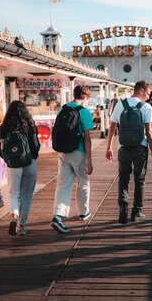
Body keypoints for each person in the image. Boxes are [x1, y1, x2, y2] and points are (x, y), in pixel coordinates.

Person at [105, 80, 152, 224]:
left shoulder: (120, 104)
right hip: (140, 147)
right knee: (139, 180)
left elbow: (112, 128)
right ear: (141, 91)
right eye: (147, 94)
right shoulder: (145, 107)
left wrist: (108, 147)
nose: (148, 97)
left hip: (123, 147)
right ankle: (137, 211)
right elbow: (150, 132)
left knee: (123, 178)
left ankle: (123, 208)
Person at [51, 85, 94, 234]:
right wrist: (89, 159)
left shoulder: (62, 109)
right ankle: (84, 212)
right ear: (85, 97)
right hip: (78, 152)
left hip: (62, 152)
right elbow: (87, 138)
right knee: (83, 182)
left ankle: (58, 216)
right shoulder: (84, 112)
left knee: (63, 184)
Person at [0, 100, 40, 236]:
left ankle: (14, 216)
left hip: (13, 165)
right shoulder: (30, 125)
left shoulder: (3, 127)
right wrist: (32, 157)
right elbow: (35, 145)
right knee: (26, 196)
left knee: (14, 193)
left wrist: (8, 159)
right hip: (29, 163)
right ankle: (22, 226)